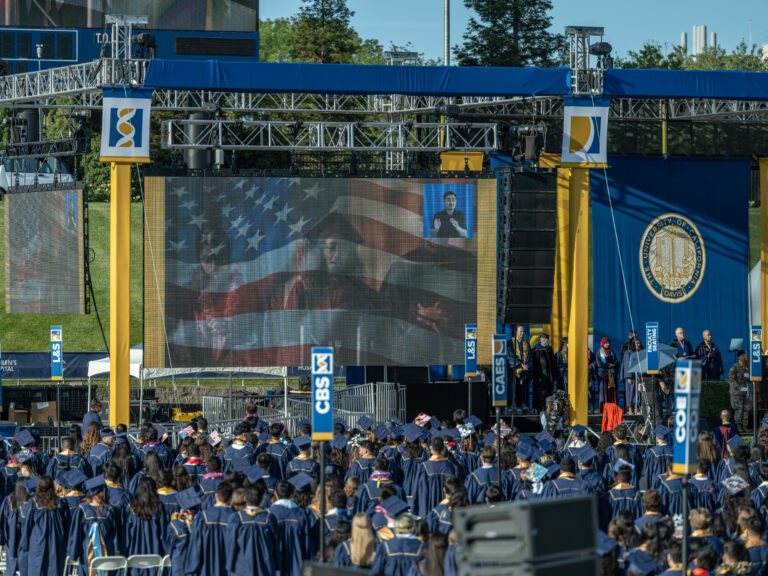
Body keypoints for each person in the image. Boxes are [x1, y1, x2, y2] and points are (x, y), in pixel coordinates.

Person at [226, 483, 280, 576]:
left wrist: (229, 567)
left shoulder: (236, 518)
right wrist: (277, 565)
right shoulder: (269, 519)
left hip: (241, 568)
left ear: (245, 499)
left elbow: (230, 546)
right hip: (264, 567)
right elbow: (276, 545)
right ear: (262, 500)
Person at [19, 475, 68, 576]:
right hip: (57, 543)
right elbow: (67, 525)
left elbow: (27, 525)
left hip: (38, 544)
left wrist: (25, 544)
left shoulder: (34, 503)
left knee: (38, 570)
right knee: (55, 570)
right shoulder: (61, 502)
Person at [188, 480, 236, 576]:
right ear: (231, 498)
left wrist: (191, 570)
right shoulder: (236, 519)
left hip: (206, 569)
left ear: (216, 496)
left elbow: (195, 548)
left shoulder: (203, 518)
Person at [125, 478, 166, 571]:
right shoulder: (158, 509)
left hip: (135, 557)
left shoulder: (131, 510)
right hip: (155, 556)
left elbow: (127, 537)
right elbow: (163, 534)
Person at [507, 325, 532, 412]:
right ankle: (513, 406)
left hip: (524, 372)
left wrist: (527, 366)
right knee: (513, 388)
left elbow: (529, 357)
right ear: (516, 332)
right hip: (514, 371)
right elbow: (510, 356)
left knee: (524, 389)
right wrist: (521, 364)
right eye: (520, 331)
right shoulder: (510, 343)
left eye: (523, 331)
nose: (522, 333)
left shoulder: (526, 344)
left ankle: (524, 405)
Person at [531, 333, 558, 413]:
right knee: (540, 394)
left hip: (549, 377)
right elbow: (534, 365)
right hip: (540, 377)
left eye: (548, 339)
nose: (547, 341)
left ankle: (549, 409)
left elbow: (553, 363)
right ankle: (539, 409)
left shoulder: (549, 349)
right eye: (546, 339)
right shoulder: (536, 350)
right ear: (541, 340)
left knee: (550, 393)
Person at [728, 350, 751, 430]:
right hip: (738, 392)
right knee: (739, 409)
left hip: (746, 391)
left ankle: (745, 426)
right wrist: (739, 388)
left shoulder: (747, 366)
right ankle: (739, 427)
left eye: (745, 355)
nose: (745, 357)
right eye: (744, 355)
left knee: (746, 408)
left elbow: (749, 377)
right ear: (739, 356)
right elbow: (731, 380)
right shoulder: (734, 367)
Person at [621, 337, 644, 414]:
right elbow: (627, 365)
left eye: (639, 343)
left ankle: (636, 408)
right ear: (633, 344)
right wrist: (629, 377)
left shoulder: (640, 352)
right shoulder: (628, 353)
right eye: (636, 343)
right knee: (630, 393)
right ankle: (630, 409)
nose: (638, 345)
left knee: (637, 393)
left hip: (638, 376)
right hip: (631, 376)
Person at [596, 337, 619, 410]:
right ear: (602, 343)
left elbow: (616, 360)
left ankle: (612, 407)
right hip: (603, 375)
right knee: (603, 392)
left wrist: (613, 364)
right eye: (606, 343)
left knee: (612, 391)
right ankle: (603, 408)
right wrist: (607, 365)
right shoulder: (599, 352)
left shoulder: (612, 351)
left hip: (611, 374)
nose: (607, 344)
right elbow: (598, 363)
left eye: (608, 343)